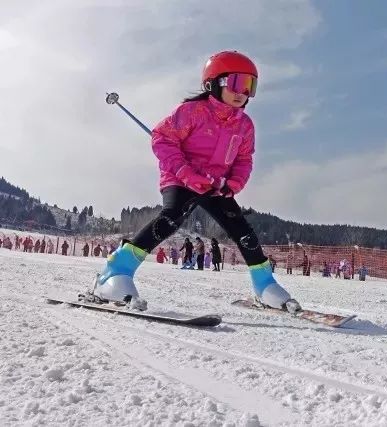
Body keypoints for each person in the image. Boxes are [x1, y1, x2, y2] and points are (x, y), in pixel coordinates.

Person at [93, 51, 299, 312]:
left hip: (216, 184)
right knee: (171, 217)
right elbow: (162, 139)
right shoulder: (192, 112)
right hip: (181, 177)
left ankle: (265, 284)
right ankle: (115, 273)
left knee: (242, 229)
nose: (242, 93)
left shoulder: (244, 125)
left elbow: (244, 159)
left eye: (250, 87)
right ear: (213, 83)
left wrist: (233, 183)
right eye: (236, 83)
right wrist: (186, 173)